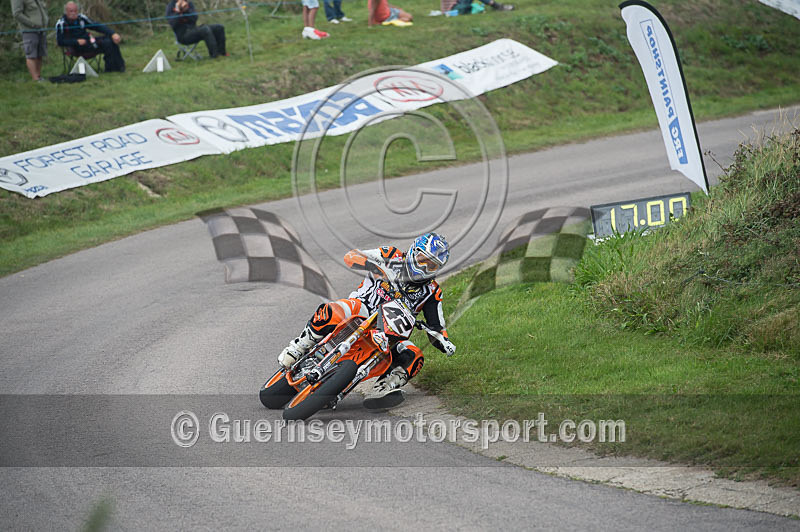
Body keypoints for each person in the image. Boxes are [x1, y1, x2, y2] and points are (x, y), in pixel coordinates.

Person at [278, 233, 454, 409]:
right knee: (333, 310)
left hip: (390, 332)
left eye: (432, 266)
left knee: (415, 355)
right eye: (423, 259)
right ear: (414, 251)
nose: (425, 267)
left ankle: (383, 388)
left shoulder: (432, 291)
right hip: (361, 309)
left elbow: (437, 325)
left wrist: (444, 341)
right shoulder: (390, 255)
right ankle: (298, 347)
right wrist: (371, 264)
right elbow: (351, 256)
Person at [55, 1, 125, 72]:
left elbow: (96, 26)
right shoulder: (61, 23)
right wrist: (76, 41)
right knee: (107, 43)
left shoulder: (81, 18)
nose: (73, 13)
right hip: (75, 47)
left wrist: (112, 33)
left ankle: (119, 67)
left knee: (110, 39)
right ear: (66, 12)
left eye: (75, 11)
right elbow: (60, 41)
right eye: (71, 11)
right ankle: (111, 69)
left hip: (89, 43)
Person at [11, 0, 49, 81]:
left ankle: (39, 77)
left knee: (40, 54)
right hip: (29, 31)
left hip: (42, 29)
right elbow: (17, 14)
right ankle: (35, 79)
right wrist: (32, 24)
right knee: (31, 54)